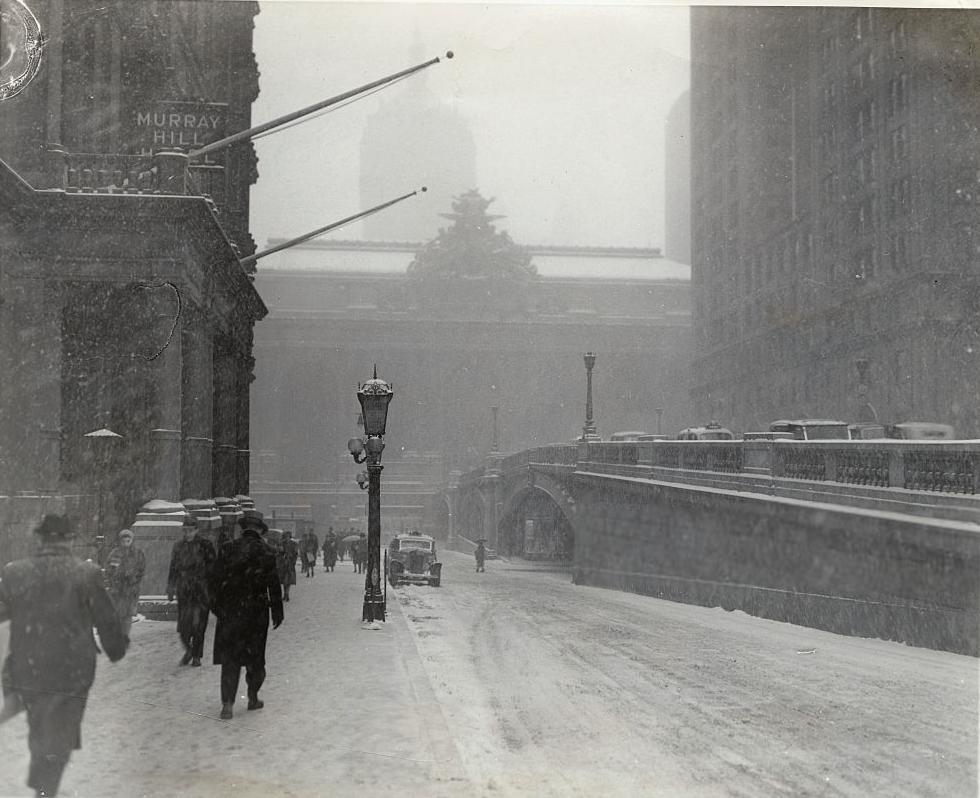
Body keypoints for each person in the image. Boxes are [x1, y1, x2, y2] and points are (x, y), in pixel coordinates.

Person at [0, 514, 128, 797]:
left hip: (29, 669)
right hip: (73, 670)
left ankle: (44, 783)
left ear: (40, 539)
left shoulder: (15, 572)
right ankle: (46, 788)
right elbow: (106, 620)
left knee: (41, 728)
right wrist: (116, 648)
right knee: (61, 733)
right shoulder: (86, 573)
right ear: (69, 539)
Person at [208, 510, 283, 720]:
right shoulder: (267, 551)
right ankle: (252, 696)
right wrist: (277, 611)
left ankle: (228, 704)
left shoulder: (227, 549)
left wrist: (217, 607)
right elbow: (274, 585)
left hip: (231, 612)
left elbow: (214, 581)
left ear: (243, 529)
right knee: (255, 658)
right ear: (260, 530)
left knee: (230, 659)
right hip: (256, 613)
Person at [166, 514, 215, 667]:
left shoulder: (206, 545)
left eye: (190, 530)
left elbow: (213, 568)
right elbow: (173, 568)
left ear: (196, 530)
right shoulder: (178, 546)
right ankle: (189, 649)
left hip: (201, 590)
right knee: (184, 627)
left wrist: (212, 587)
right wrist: (170, 587)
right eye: (185, 530)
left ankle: (196, 656)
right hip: (184, 590)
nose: (187, 533)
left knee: (199, 625)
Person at [105, 528, 146, 635]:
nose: (125, 544)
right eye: (123, 541)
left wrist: (133, 578)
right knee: (118, 614)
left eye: (128, 541)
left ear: (132, 540)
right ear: (120, 541)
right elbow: (110, 571)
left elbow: (141, 569)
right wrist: (119, 575)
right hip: (118, 589)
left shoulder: (137, 554)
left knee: (128, 615)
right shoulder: (115, 554)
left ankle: (124, 636)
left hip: (131, 589)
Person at [278, 530, 298, 601]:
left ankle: (287, 594)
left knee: (288, 580)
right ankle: (285, 594)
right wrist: (281, 552)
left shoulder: (294, 544)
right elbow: (279, 554)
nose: (287, 538)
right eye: (286, 537)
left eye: (288, 537)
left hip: (290, 564)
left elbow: (296, 554)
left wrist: (293, 561)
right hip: (283, 564)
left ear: (290, 537)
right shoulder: (282, 544)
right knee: (284, 581)